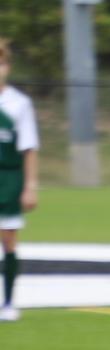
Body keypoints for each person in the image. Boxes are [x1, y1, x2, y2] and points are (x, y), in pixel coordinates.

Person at [0, 37, 40, 323]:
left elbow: (29, 148)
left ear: (8, 67)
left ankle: (9, 302)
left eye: (1, 63)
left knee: (8, 239)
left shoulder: (19, 104)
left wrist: (30, 186)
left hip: (8, 177)